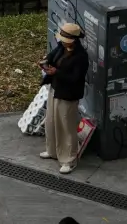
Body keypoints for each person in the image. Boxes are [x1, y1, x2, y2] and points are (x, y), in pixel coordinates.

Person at [39, 22, 90, 174]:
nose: (62, 42)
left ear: (73, 40)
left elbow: (75, 78)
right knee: (51, 121)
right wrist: (45, 62)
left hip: (68, 94)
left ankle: (69, 159)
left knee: (66, 126)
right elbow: (52, 55)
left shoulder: (81, 57)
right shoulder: (61, 47)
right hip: (55, 89)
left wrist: (57, 73)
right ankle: (53, 150)